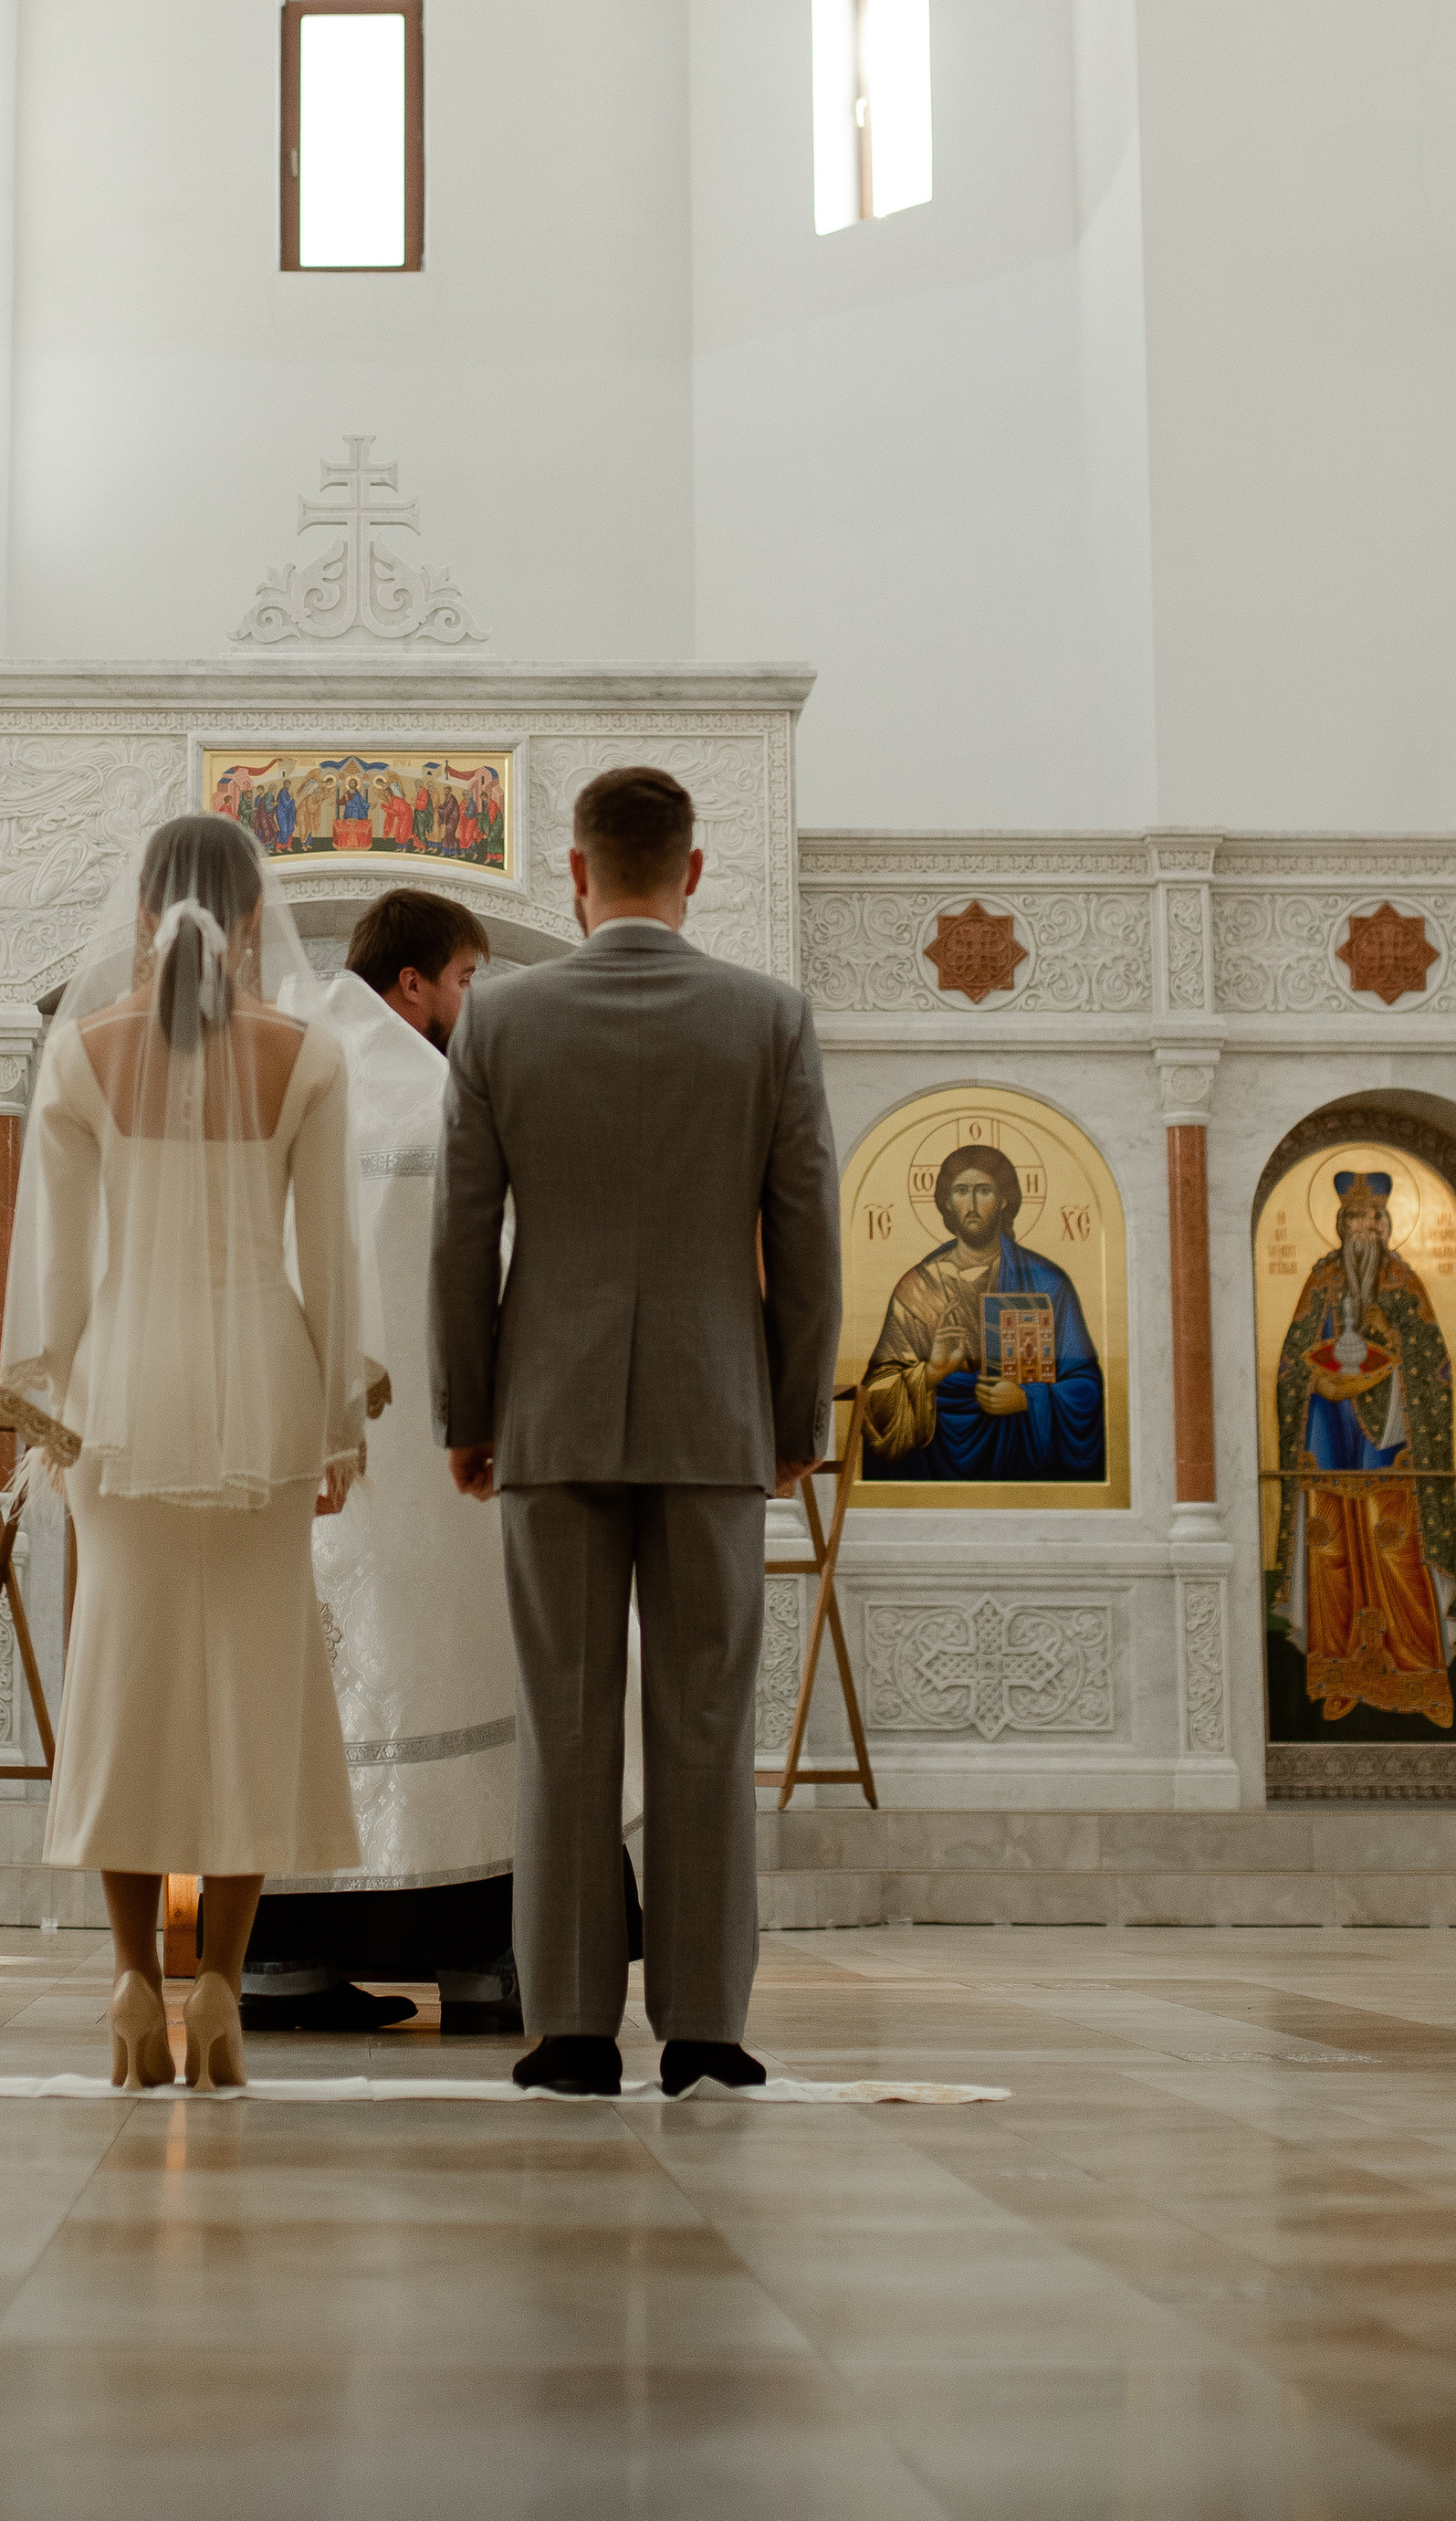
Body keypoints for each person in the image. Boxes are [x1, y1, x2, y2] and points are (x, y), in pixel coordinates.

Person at [428, 764, 842, 2099]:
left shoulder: (500, 1017)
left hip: (549, 1411)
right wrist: (790, 1416)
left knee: (562, 1721)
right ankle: (709, 2027)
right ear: (696, 872)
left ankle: (567, 2030)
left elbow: (459, 1235)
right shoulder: (768, 1019)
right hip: (718, 1413)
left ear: (577, 874)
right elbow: (809, 1240)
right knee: (708, 1720)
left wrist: (469, 1407)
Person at [0, 813, 366, 2091]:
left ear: (143, 913)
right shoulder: (307, 1051)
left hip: (124, 1397)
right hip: (264, 1387)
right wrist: (336, 1424)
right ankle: (220, 1987)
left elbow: (56, 1274)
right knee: (259, 1680)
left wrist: (46, 1410)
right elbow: (331, 1263)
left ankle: (132, 1983)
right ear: (256, 915)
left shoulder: (82, 1054)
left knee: (126, 1678)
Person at [245, 888, 569, 2038]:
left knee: (309, 1690)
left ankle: (277, 1960)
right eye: (469, 980)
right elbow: (500, 1270)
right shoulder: (437, 1095)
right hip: (435, 1452)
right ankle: (481, 1959)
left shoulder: (278, 1074)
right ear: (415, 984)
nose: (474, 1006)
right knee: (459, 1671)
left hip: (301, 1452)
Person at [1267, 1168, 1456, 1733]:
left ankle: (1420, 1674)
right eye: (1355, 1218)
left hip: (1391, 1444)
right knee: (1331, 1551)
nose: (1366, 1227)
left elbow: (1434, 1366)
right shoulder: (1320, 1280)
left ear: (1387, 1225)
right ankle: (1338, 1673)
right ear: (1340, 1225)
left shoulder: (1405, 1284)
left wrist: (1387, 1353)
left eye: (1374, 1218)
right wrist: (1325, 1361)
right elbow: (1290, 1363)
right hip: (1328, 1437)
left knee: (1397, 1549)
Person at [856, 1143, 1106, 1482]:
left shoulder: (1048, 1283)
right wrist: (931, 1373)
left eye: (983, 1191)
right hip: (931, 1462)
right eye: (961, 1192)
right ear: (947, 1202)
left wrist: (1028, 1400)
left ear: (1004, 1200)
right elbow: (871, 1401)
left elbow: (1087, 1389)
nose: (972, 1205)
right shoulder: (917, 1289)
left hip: (1023, 1466)